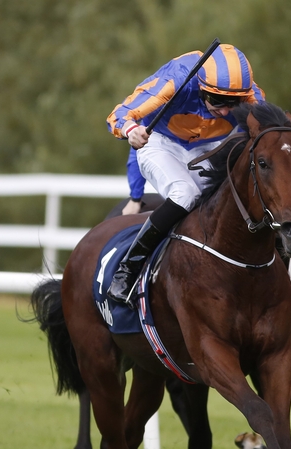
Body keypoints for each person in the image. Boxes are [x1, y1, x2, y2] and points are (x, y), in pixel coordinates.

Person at [106, 43, 266, 304]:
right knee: (186, 193)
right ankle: (128, 270)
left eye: (233, 103)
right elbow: (120, 114)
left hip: (208, 146)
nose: (225, 111)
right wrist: (130, 130)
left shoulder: (250, 95)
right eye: (217, 101)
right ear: (201, 87)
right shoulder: (176, 79)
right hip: (160, 142)